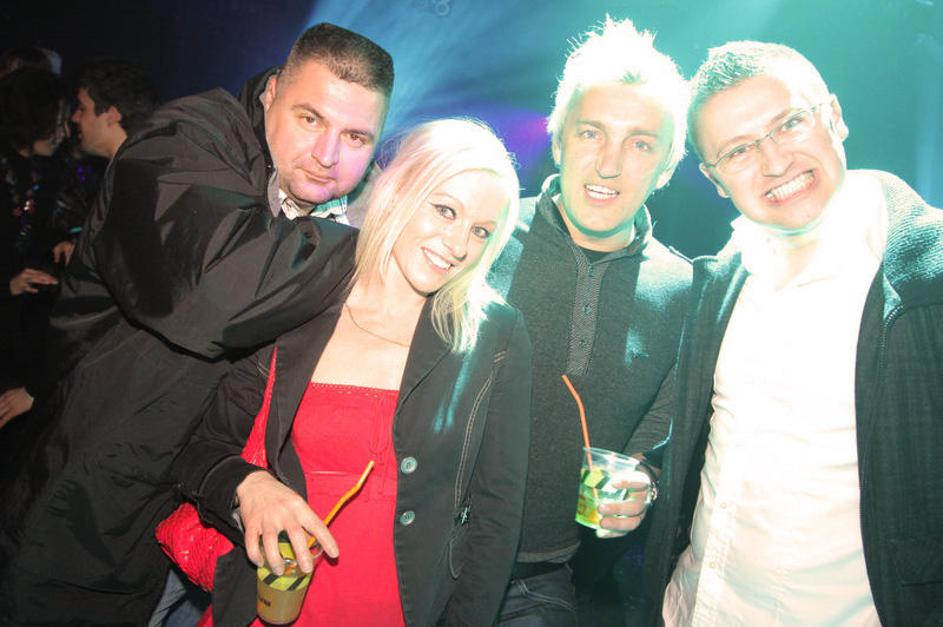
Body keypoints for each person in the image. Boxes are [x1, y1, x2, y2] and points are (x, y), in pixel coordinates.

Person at [0, 23, 393, 625]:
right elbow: (217, 293)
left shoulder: (332, 206)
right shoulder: (185, 141)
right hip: (94, 502)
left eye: (356, 136)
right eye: (310, 118)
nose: (328, 154)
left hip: (206, 514)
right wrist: (386, 242)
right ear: (271, 94)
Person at [173, 118, 532, 626]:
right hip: (273, 598)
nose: (457, 245)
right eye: (445, 210)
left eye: (480, 231)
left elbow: (497, 517)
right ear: (399, 190)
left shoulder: (493, 335)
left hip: (399, 610)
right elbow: (200, 448)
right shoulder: (301, 294)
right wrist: (249, 486)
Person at [644, 41, 943, 626]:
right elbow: (725, 434)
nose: (775, 162)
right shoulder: (723, 279)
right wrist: (652, 474)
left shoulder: (927, 278)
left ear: (834, 115)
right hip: (689, 609)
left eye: (789, 124)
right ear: (714, 179)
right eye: (738, 150)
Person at [488, 17, 691, 625]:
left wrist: (644, 482)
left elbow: (659, 428)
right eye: (591, 133)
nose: (608, 165)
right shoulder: (481, 235)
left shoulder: (682, 288)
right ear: (558, 141)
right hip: (421, 555)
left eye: (640, 144)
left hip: (552, 579)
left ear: (666, 166)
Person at [0, 68, 70, 429]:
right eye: (57, 121)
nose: (65, 131)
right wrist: (6, 285)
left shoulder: (41, 169)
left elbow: (30, 234)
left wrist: (61, 241)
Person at [71, 57, 159, 162]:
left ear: (112, 115)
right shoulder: (139, 166)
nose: (74, 118)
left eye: (82, 109)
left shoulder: (132, 171)